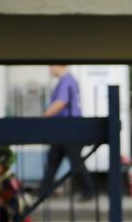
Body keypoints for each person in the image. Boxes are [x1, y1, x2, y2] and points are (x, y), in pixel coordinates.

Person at [40, 64, 94, 201]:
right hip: (64, 129)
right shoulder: (68, 80)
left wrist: (45, 115)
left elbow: (61, 102)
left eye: (51, 66)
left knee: (75, 162)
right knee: (53, 159)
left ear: (59, 65)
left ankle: (88, 191)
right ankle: (43, 191)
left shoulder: (66, 80)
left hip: (70, 129)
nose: (50, 69)